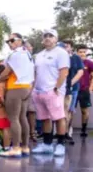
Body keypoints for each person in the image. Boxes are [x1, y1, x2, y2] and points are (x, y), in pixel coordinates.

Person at [31, 29, 70, 157]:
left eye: (51, 36)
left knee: (59, 117)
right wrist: (33, 89)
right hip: (39, 91)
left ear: (56, 39)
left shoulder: (61, 53)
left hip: (54, 91)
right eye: (45, 36)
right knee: (44, 118)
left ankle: (60, 144)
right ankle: (47, 145)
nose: (47, 38)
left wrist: (56, 88)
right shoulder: (39, 55)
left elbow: (64, 72)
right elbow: (36, 73)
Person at [0, 32, 35, 158]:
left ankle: (16, 148)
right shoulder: (27, 54)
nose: (9, 43)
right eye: (8, 41)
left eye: (12, 40)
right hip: (26, 88)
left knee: (14, 119)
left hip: (15, 87)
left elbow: (6, 72)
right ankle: (25, 147)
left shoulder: (16, 54)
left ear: (19, 41)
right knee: (22, 118)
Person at [61, 40, 84, 144]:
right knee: (61, 112)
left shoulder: (76, 58)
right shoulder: (59, 58)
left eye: (67, 46)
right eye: (63, 46)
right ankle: (60, 134)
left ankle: (67, 133)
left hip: (73, 89)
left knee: (69, 111)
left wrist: (70, 83)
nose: (65, 48)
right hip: (60, 89)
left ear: (71, 47)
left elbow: (80, 72)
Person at [23, 41, 40, 142]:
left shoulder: (35, 59)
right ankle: (23, 134)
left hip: (33, 88)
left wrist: (32, 87)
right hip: (21, 88)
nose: (25, 49)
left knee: (32, 111)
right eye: (23, 48)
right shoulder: (18, 59)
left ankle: (32, 132)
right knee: (22, 112)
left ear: (31, 48)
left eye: (27, 47)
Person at [0, 64, 12, 153]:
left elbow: (0, 97)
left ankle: (6, 146)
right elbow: (1, 97)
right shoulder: (4, 83)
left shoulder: (1, 83)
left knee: (6, 128)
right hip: (4, 109)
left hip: (2, 109)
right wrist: (8, 106)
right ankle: (7, 146)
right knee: (6, 128)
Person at [76, 44, 93, 137]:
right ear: (77, 52)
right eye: (80, 52)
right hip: (74, 90)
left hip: (84, 90)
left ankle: (84, 129)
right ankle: (67, 132)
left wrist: (90, 88)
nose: (82, 54)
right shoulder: (73, 62)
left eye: (84, 52)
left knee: (84, 111)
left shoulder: (89, 63)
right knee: (70, 111)